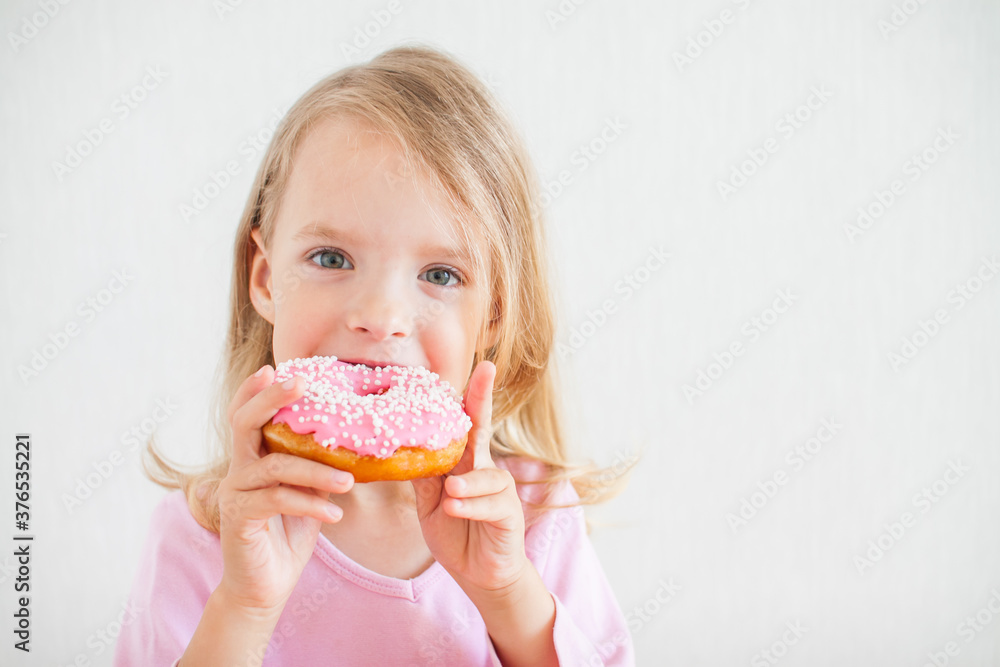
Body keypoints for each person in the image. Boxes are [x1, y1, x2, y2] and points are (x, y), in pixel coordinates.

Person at [113, 43, 635, 666]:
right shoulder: (208, 531)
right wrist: (244, 606)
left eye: (440, 274)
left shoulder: (532, 514)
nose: (381, 317)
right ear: (264, 278)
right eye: (331, 259)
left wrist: (508, 595)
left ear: (494, 312)